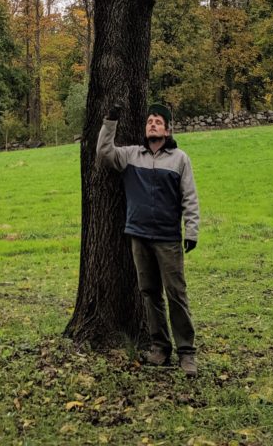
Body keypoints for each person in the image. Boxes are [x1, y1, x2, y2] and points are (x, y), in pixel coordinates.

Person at [96, 103, 200, 376]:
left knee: (176, 294)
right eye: (149, 121)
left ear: (167, 129)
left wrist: (191, 231)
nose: (152, 124)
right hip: (139, 236)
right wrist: (110, 121)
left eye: (158, 121)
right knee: (150, 293)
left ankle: (187, 352)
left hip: (168, 238)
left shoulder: (180, 159)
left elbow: (190, 197)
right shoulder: (131, 155)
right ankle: (160, 347)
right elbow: (104, 152)